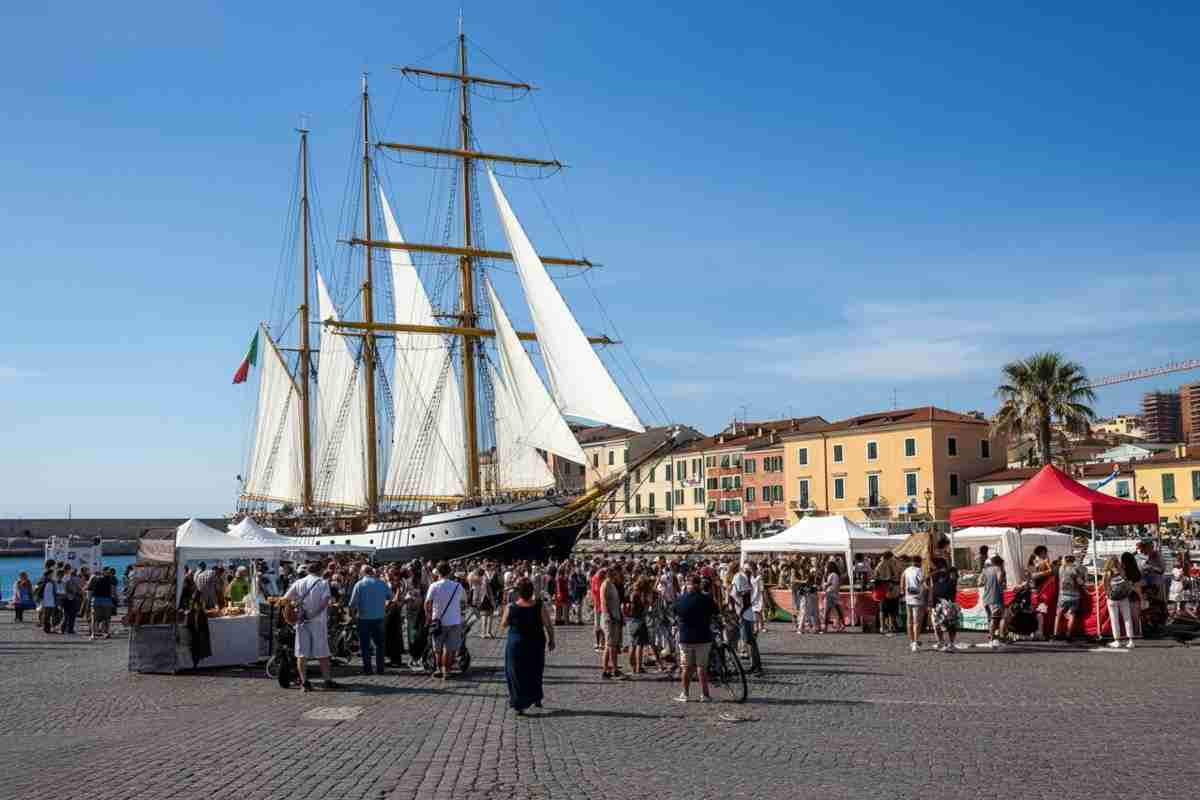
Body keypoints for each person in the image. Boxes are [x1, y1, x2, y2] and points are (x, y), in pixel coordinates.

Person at [500, 577, 555, 715]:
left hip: (517, 643)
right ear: (532, 592)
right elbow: (548, 624)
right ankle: (536, 697)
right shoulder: (539, 606)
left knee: (516, 672)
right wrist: (552, 639)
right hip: (535, 642)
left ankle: (519, 703)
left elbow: (503, 624)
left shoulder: (511, 606)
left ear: (519, 592)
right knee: (535, 670)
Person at [283, 562, 339, 692]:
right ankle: (327, 680)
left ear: (308, 571)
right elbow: (325, 602)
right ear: (320, 570)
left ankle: (304, 682)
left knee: (301, 653)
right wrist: (313, 614)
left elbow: (285, 599)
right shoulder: (323, 583)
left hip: (301, 622)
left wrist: (297, 609)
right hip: (318, 622)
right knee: (322, 653)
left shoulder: (298, 582)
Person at [673, 572, 716, 703]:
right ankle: (705, 695)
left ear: (688, 584)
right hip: (703, 637)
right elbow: (715, 611)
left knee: (686, 667)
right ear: (699, 585)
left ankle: (685, 694)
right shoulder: (707, 599)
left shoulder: (680, 599)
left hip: (686, 637)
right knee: (701, 667)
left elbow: (675, 612)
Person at [424, 562, 464, 680]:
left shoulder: (434, 586)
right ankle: (446, 671)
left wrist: (428, 617)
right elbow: (463, 601)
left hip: (438, 621)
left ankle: (438, 669)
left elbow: (427, 603)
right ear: (450, 572)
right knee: (449, 648)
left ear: (438, 572)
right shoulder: (458, 586)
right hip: (454, 620)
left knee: (438, 648)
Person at [348, 565, 390, 675]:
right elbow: (390, 597)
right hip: (379, 617)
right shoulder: (381, 583)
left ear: (363, 573)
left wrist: (352, 616)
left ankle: (367, 669)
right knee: (380, 644)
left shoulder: (360, 584)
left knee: (365, 645)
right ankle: (380, 668)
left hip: (364, 618)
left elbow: (352, 604)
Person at [731, 563, 764, 675]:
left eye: (750, 570)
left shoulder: (747, 578)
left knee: (749, 640)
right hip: (744, 612)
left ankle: (756, 666)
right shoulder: (740, 577)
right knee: (747, 640)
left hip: (745, 613)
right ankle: (754, 665)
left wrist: (740, 613)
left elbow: (745, 597)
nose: (749, 572)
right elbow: (738, 595)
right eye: (747, 570)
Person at [600, 565, 627, 680]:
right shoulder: (606, 585)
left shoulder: (612, 584)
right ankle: (615, 669)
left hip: (614, 617)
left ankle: (606, 670)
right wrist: (609, 616)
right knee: (612, 646)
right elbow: (604, 602)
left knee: (609, 645)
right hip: (609, 619)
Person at [1102, 556, 1135, 649]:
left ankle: (1117, 641)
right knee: (1127, 618)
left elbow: (1105, 586)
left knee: (1114, 620)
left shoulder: (1107, 573)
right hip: (1124, 597)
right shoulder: (1122, 572)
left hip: (1112, 599)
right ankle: (1131, 640)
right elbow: (1128, 583)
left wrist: (1108, 595)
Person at [928, 558, 960, 652]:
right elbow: (931, 586)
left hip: (945, 602)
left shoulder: (950, 572)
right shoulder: (935, 575)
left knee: (943, 624)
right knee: (946, 624)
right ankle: (946, 643)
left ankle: (945, 643)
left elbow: (931, 587)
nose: (932, 567)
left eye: (933, 565)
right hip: (944, 602)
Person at [1054, 554, 1086, 643]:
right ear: (1073, 561)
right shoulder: (1075, 570)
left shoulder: (1061, 569)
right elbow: (1080, 582)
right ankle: (1068, 635)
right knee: (1072, 614)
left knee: (1058, 613)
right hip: (1074, 595)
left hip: (1063, 594)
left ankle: (1056, 633)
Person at [1027, 546, 1055, 640]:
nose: (1046, 554)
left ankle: (1035, 632)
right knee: (1040, 612)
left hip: (1034, 591)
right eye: (1045, 553)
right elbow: (1050, 571)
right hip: (1040, 591)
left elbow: (1030, 575)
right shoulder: (1042, 563)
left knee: (1036, 612)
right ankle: (1039, 632)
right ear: (1042, 553)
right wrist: (1047, 563)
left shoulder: (1033, 563)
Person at [980, 555, 1006, 648]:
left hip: (986, 598)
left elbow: (980, 582)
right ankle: (998, 638)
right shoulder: (999, 569)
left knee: (991, 618)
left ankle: (991, 638)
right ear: (1000, 563)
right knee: (1001, 618)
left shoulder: (985, 570)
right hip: (996, 598)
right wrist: (1002, 576)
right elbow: (999, 581)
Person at [901, 557, 926, 652]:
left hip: (908, 597)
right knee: (917, 622)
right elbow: (923, 583)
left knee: (909, 620)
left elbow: (902, 582)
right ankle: (915, 642)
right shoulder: (920, 571)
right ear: (919, 562)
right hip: (918, 598)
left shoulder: (906, 570)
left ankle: (911, 641)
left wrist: (903, 592)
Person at [873, 551, 901, 636]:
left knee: (884, 610)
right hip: (890, 589)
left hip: (885, 589)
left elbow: (875, 577)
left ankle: (885, 627)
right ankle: (888, 627)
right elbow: (896, 575)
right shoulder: (890, 563)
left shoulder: (879, 565)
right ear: (890, 556)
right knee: (888, 610)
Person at [87, 567, 116, 639]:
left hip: (96, 599)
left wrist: (89, 600)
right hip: (107, 600)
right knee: (107, 618)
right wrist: (114, 600)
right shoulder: (111, 579)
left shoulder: (93, 578)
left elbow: (89, 590)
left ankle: (93, 634)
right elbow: (113, 591)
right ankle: (105, 632)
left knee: (94, 617)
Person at [822, 561, 844, 633]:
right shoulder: (834, 575)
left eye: (826, 567)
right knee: (838, 611)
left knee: (827, 611)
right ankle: (841, 625)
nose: (826, 568)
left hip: (830, 594)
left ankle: (825, 627)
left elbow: (832, 585)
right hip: (834, 594)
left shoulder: (833, 575)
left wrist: (825, 585)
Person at [59, 566, 81, 635]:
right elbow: (72, 589)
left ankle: (65, 629)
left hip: (67, 598)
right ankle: (68, 629)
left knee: (68, 614)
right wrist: (76, 592)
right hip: (70, 598)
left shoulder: (65, 579)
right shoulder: (68, 579)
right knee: (70, 615)